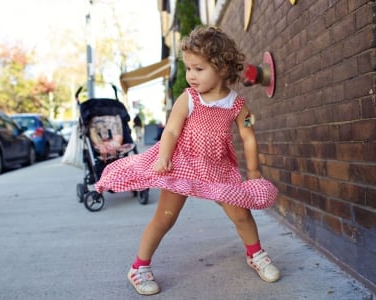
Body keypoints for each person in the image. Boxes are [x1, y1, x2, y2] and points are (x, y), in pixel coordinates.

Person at [95, 25, 280, 296]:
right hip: (182, 164)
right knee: (165, 218)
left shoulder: (238, 105)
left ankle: (256, 254)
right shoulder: (189, 98)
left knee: (241, 214)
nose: (191, 75)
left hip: (218, 167)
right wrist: (164, 157)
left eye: (199, 69)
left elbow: (248, 136)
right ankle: (139, 267)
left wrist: (253, 172)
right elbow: (170, 130)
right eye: (189, 68)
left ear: (222, 68)